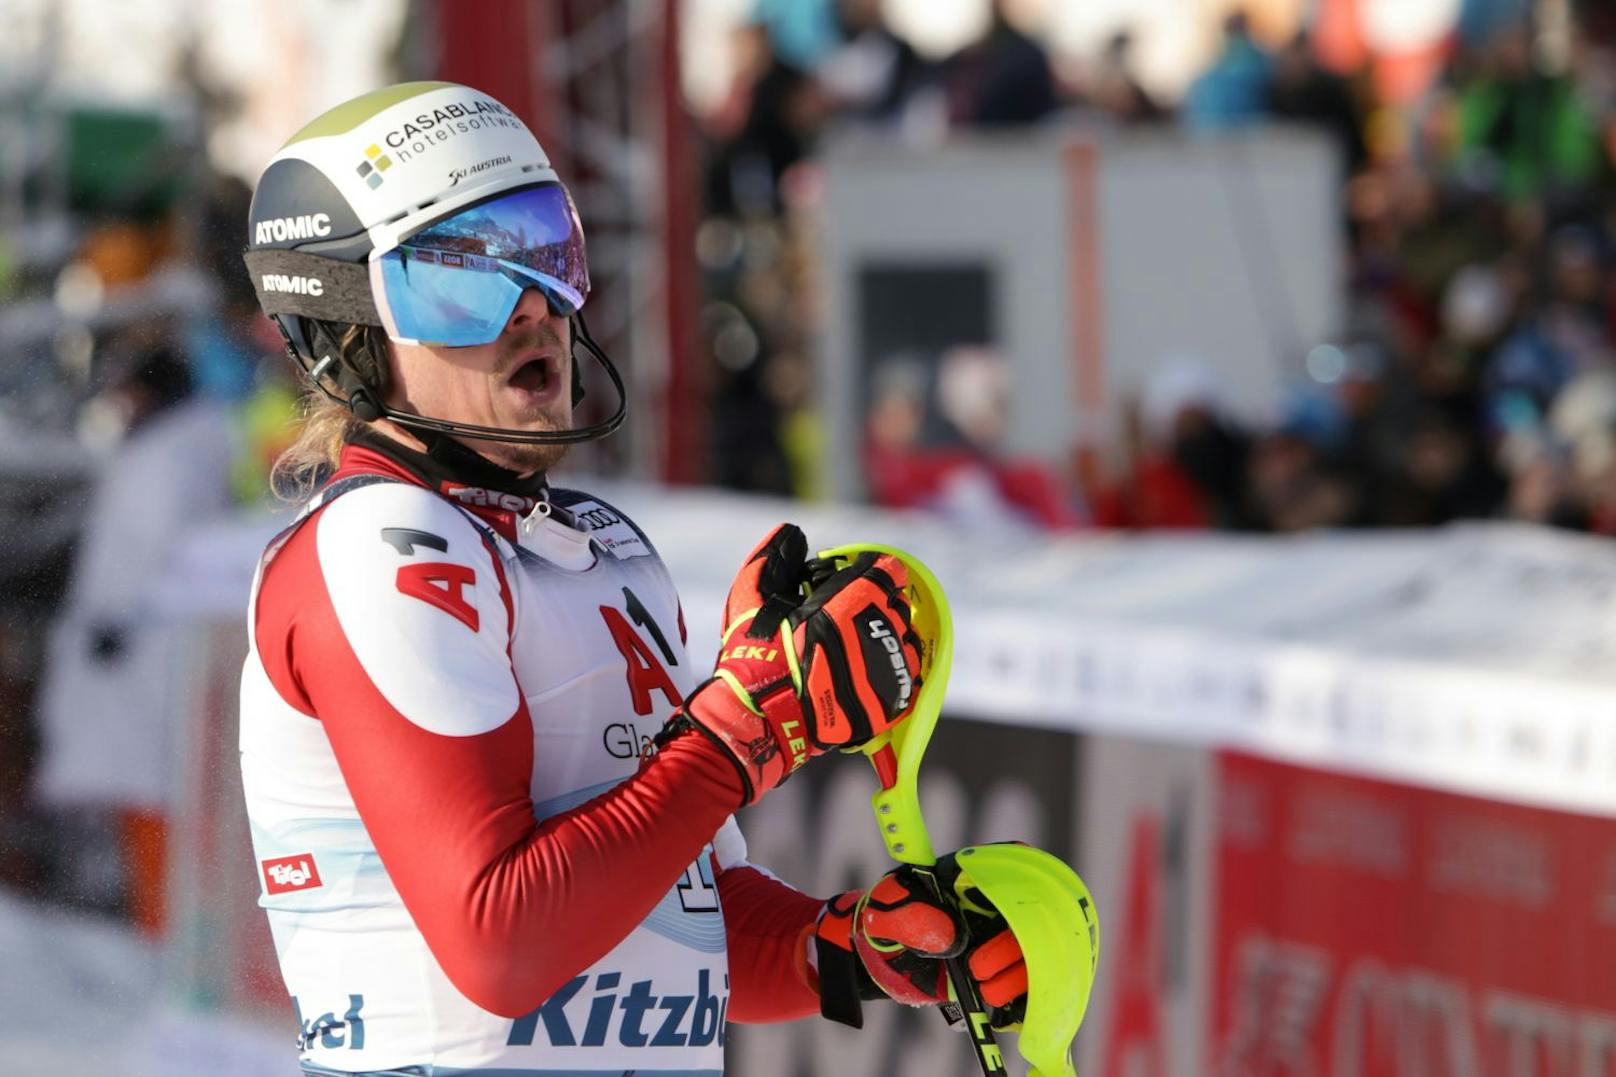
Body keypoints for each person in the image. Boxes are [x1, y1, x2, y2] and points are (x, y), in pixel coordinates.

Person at [238, 81, 1029, 1074]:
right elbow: (503, 943)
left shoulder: (600, 546)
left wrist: (855, 947)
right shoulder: (385, 546)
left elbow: (678, 918)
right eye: (459, 276)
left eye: (540, 245)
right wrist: (744, 732)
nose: (531, 305)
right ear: (348, 336)